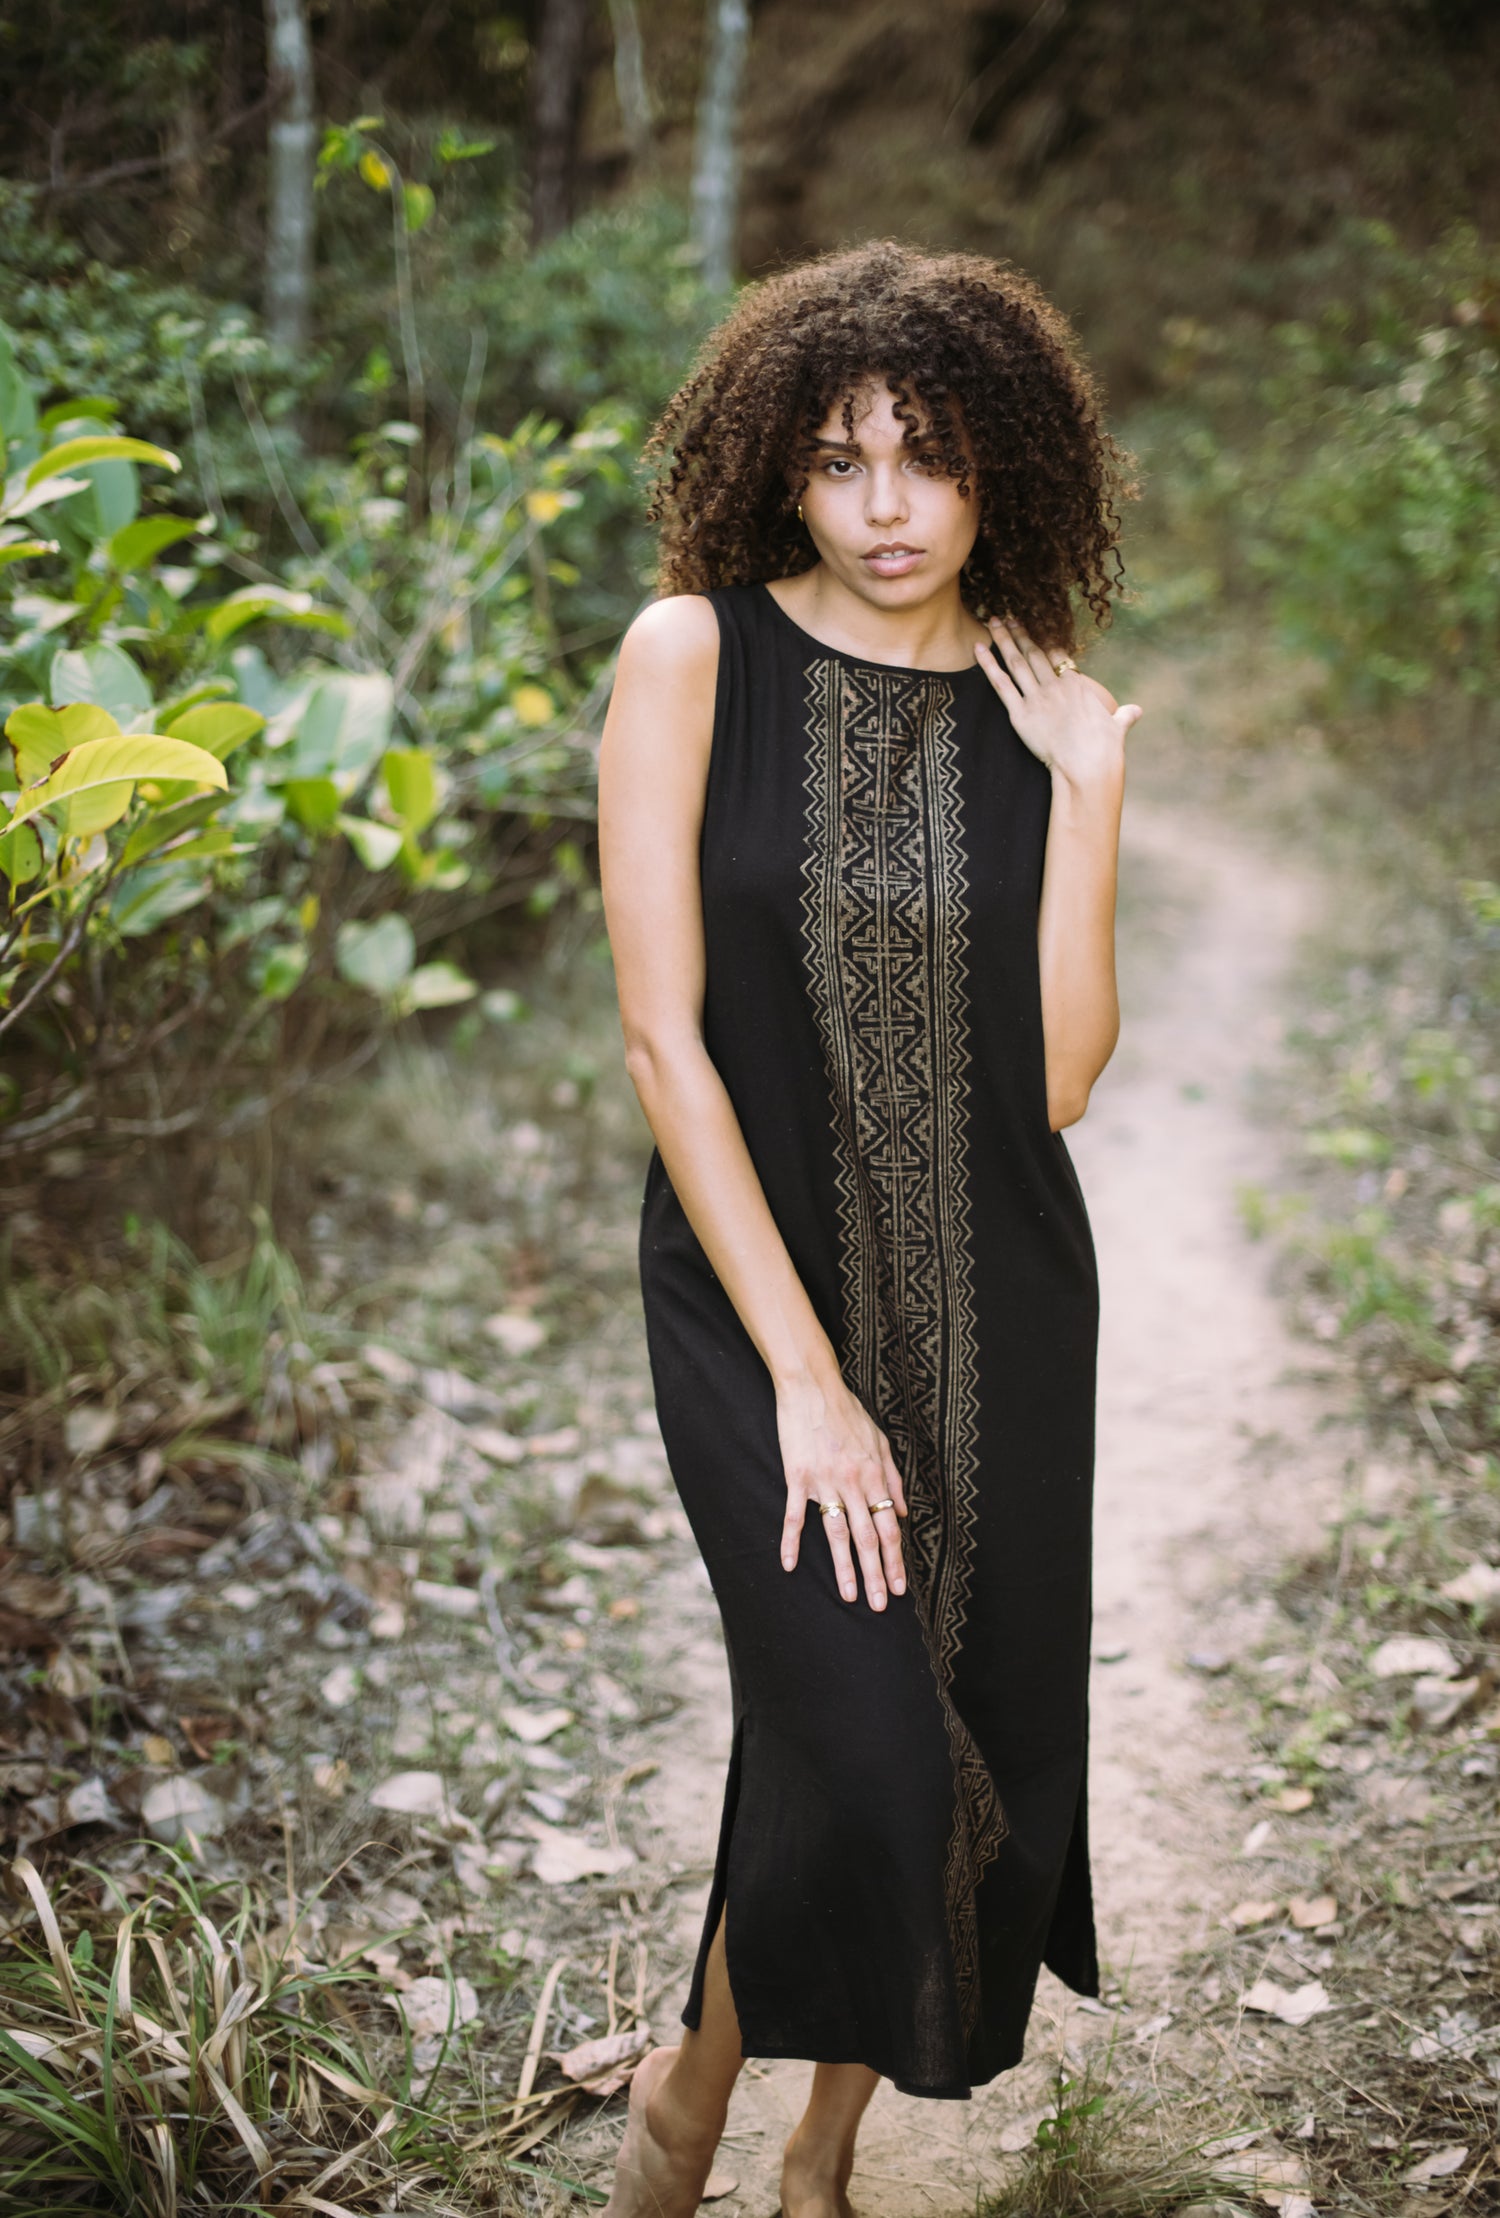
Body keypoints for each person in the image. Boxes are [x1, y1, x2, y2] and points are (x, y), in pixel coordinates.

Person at [597, 239, 1139, 2218]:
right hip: (759, 1304)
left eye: (930, 458)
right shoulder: (694, 658)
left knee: (927, 1733)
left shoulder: (1033, 710)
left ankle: (819, 2148)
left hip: (1001, 1297)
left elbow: (1061, 1080)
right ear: (780, 472)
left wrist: (1087, 795)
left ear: (1006, 471)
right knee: (866, 1736)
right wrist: (808, 1384)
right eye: (842, 462)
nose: (890, 508)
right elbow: (667, 1040)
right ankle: (685, 2098)